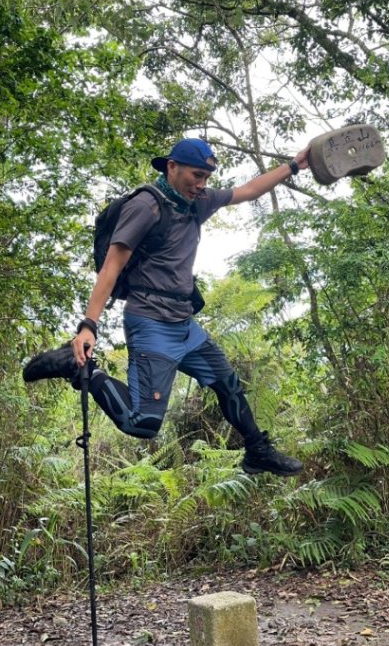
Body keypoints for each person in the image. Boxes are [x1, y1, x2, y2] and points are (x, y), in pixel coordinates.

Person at [23, 137, 310, 476]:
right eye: (196, 175)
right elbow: (111, 267)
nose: (201, 185)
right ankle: (79, 369)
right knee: (142, 423)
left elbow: (248, 190)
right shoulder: (146, 206)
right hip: (151, 323)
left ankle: (257, 450)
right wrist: (89, 325)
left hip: (184, 324)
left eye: (206, 177)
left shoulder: (196, 203)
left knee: (226, 383)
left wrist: (294, 165)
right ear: (171, 167)